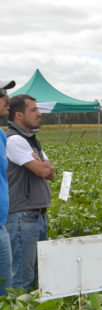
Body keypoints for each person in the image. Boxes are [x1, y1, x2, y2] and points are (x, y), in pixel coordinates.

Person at [6, 94, 55, 291]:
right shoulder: (15, 140)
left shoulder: (31, 140)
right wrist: (43, 164)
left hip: (36, 217)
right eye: (33, 110)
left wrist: (42, 163)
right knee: (22, 278)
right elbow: (44, 170)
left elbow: (51, 173)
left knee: (37, 276)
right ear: (19, 115)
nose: (39, 114)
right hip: (22, 218)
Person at [0, 79, 15, 295]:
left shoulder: (2, 135)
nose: (7, 98)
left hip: (2, 226)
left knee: (6, 295)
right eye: (1, 92)